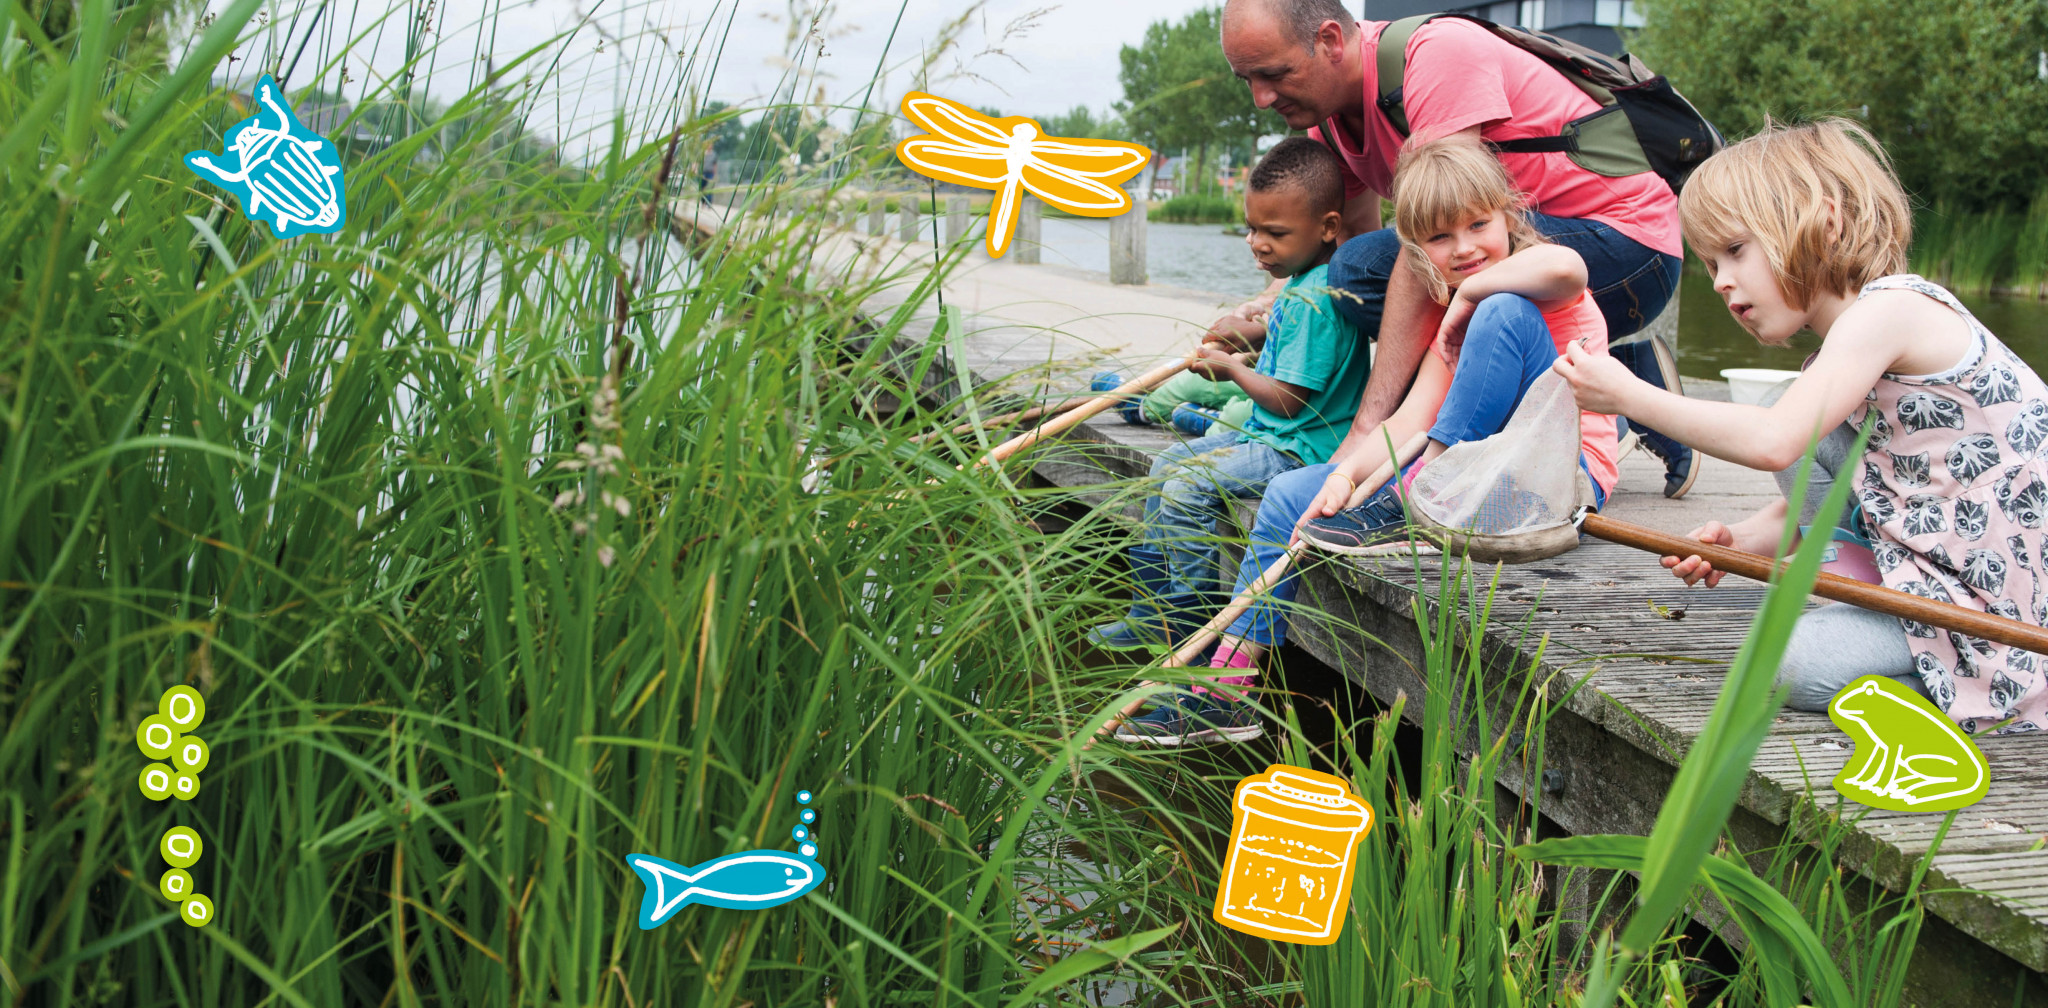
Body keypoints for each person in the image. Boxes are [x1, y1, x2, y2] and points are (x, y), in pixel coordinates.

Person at [1117, 135, 1620, 746]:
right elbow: (1407, 421)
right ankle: (1227, 691)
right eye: (1439, 238)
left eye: (1479, 225)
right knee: (1285, 494)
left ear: (1509, 216)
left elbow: (1571, 268)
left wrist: (1467, 294)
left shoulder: (1529, 286)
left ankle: (1418, 494)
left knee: (1501, 310)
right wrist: (1346, 474)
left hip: (1557, 477)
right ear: (1416, 250)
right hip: (1470, 477)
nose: (1464, 249)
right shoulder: (1449, 323)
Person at [1554, 119, 2048, 735]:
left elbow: (1773, 441)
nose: (1722, 280)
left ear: (1824, 221)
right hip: (1937, 561)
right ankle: (1921, 655)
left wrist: (1632, 395)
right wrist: (1734, 543)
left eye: (1735, 250)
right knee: (1802, 416)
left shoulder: (1892, 310)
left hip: (2003, 603)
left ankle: (1994, 687)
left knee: (1780, 664)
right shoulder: (1844, 353)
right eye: (1710, 263)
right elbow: (1832, 486)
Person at [1214, 0, 1698, 503]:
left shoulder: (1436, 56)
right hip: (1514, 250)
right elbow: (1344, 252)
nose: (1260, 98)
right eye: (1245, 79)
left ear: (1331, 41)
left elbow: (1429, 237)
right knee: (1353, 273)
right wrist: (1269, 311)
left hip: (1626, 247)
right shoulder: (1331, 120)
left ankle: (1628, 380)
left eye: (1271, 74)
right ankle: (1528, 392)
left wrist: (1365, 429)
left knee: (1390, 263)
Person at [1088, 139, 1369, 708]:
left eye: (1275, 233)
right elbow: (1281, 361)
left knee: (1187, 484)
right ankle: (1153, 614)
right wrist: (1243, 350)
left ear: (1328, 227)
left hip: (1298, 449)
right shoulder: (1300, 286)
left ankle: (1190, 631)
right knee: (1164, 466)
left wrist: (1230, 370)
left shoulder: (1316, 301)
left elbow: (1289, 400)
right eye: (1250, 229)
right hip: (1272, 434)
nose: (1257, 244)